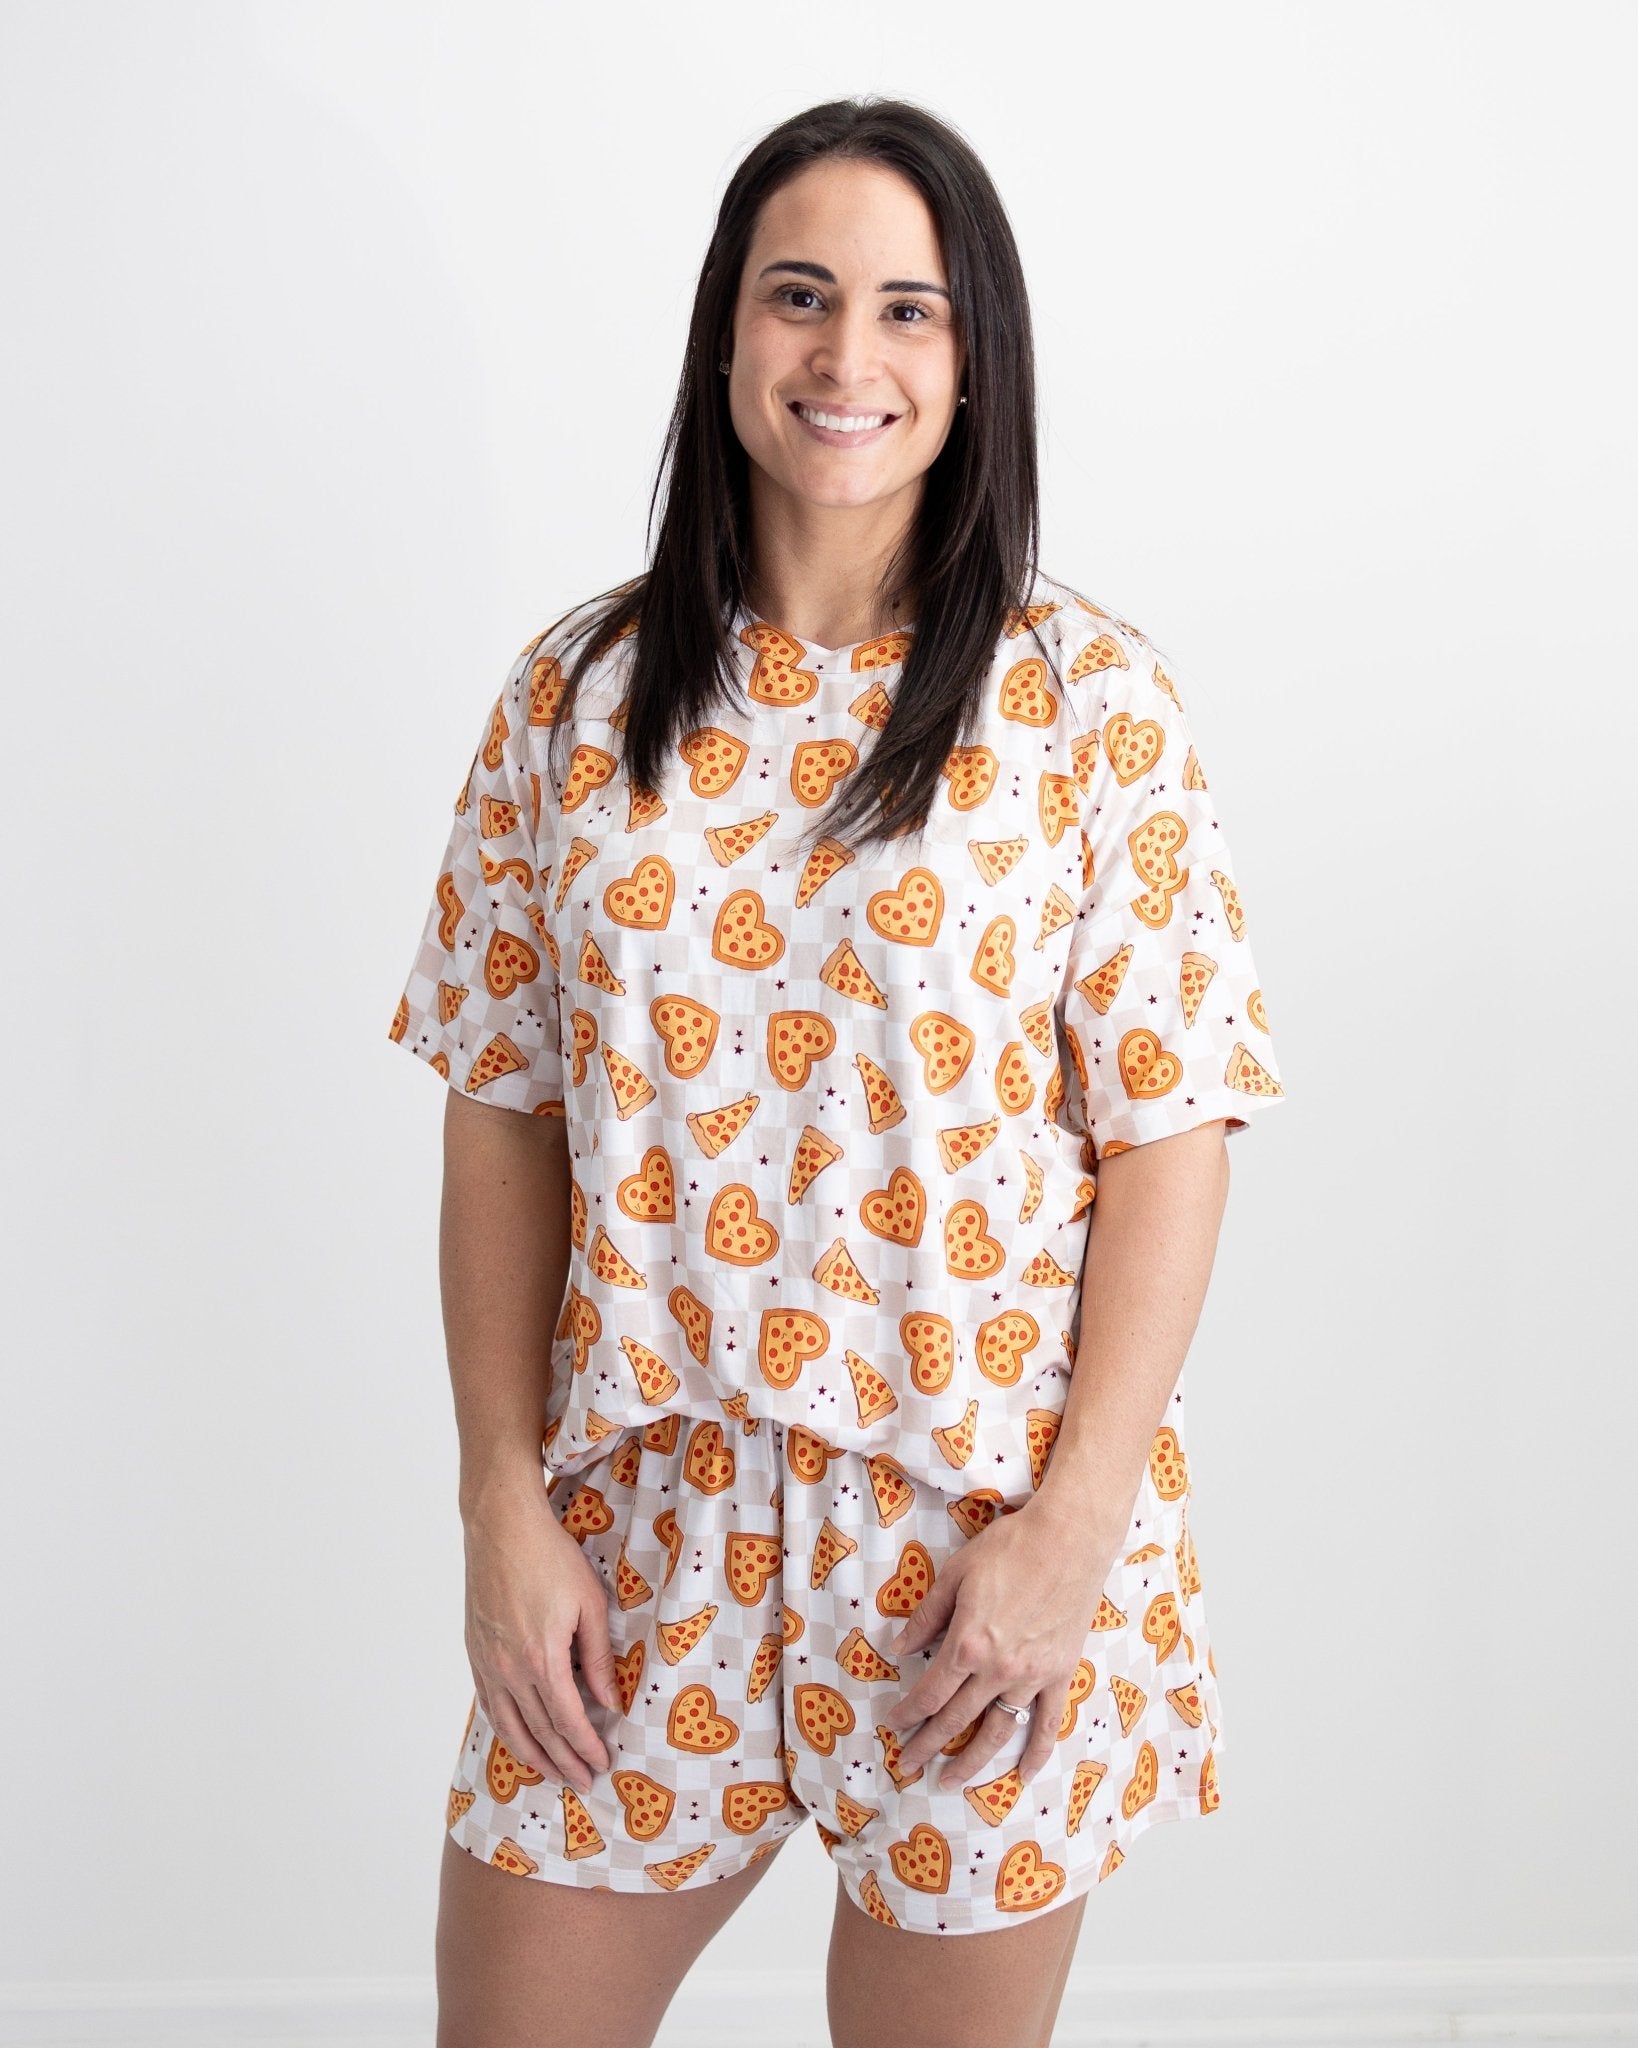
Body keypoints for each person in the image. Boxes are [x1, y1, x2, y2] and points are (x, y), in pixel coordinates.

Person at [386, 94, 1287, 2048]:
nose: (846, 355)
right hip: (642, 1543)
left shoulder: (1088, 708)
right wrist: (498, 1504)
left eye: (908, 309)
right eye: (799, 296)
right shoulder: (571, 702)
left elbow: (1173, 1138)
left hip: (976, 1552)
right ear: (727, 331)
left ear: (972, 362)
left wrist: (1072, 1536)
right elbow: (500, 1115)